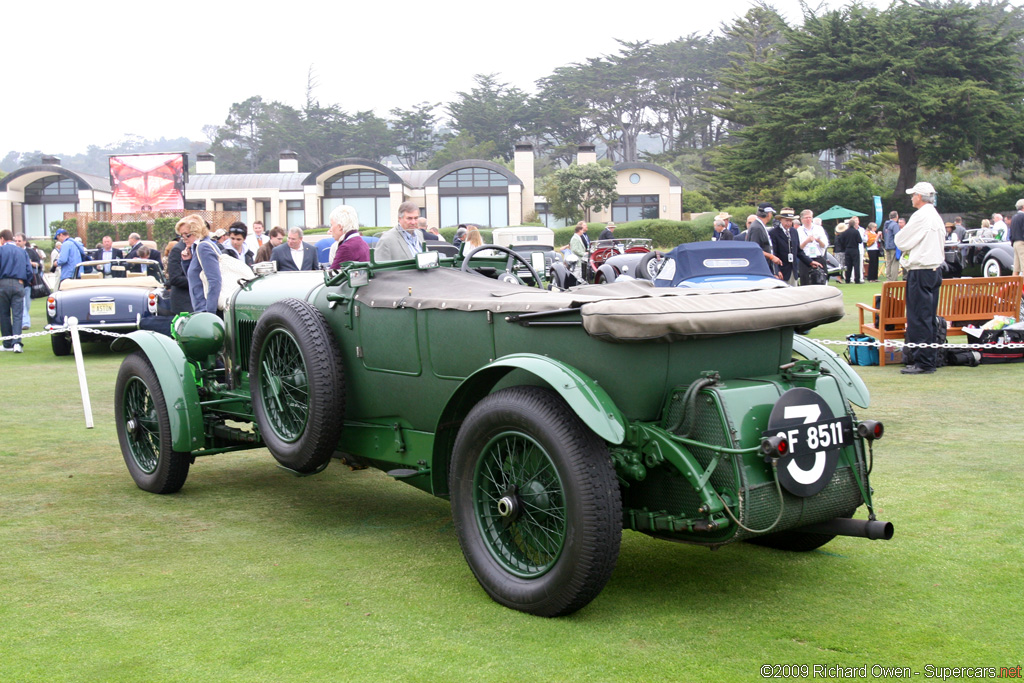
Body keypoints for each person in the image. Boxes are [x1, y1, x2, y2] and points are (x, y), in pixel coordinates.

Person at [895, 181, 946, 375]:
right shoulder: (935, 216)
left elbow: (901, 240)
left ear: (919, 196)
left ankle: (923, 361)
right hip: (933, 270)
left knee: (918, 316)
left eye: (913, 194)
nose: (911, 198)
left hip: (921, 271)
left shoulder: (921, 216)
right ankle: (927, 358)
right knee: (927, 316)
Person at [177, 214, 221, 314]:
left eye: (187, 235)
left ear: (197, 232)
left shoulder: (203, 247)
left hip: (206, 309)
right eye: (181, 236)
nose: (184, 238)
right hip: (202, 307)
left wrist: (209, 312)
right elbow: (193, 278)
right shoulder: (196, 248)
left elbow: (215, 280)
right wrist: (187, 261)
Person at [0, 229, 33, 353]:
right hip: (18, 283)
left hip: (2, 284)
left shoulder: (1, 250)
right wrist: (24, 282)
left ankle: (7, 342)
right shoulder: (22, 251)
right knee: (18, 315)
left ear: (2, 238)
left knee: (4, 314)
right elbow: (29, 270)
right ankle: (17, 343)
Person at [747, 203, 782, 274]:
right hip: (760, 267)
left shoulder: (760, 226)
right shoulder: (757, 228)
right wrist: (771, 257)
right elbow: (754, 249)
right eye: (771, 213)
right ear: (768, 214)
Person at [13, 234, 39, 329]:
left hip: (29, 282)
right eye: (16, 241)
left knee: (27, 304)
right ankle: (25, 323)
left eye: (19, 241)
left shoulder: (31, 252)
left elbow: (38, 264)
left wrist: (31, 263)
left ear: (24, 241)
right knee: (22, 304)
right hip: (18, 281)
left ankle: (24, 320)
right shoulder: (13, 251)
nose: (17, 242)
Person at [797, 210, 829, 285]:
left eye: (810, 217)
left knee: (820, 281)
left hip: (818, 257)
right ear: (801, 219)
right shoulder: (799, 231)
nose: (808, 219)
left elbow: (824, 245)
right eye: (806, 218)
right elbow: (798, 248)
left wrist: (818, 240)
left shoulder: (819, 229)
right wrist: (806, 241)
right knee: (805, 282)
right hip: (806, 259)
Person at [164, 236, 193, 315]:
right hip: (185, 302)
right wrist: (198, 281)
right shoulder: (178, 249)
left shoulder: (197, 247)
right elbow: (175, 278)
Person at [882, 211, 901, 282]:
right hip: (893, 246)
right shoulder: (895, 225)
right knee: (894, 263)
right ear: (896, 216)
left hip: (887, 246)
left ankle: (888, 278)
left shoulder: (886, 224)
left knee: (889, 263)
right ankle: (894, 279)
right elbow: (897, 235)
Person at [1009, 198, 1024, 276]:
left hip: (1015, 242)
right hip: (1022, 242)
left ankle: (1013, 285)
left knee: (1016, 268)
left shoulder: (1014, 217)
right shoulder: (1023, 217)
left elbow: (1011, 232)